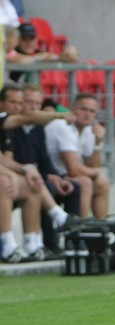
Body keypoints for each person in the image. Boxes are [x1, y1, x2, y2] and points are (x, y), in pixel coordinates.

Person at [10, 83, 84, 255]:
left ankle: (74, 241)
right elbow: (15, 160)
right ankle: (50, 243)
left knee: (73, 187)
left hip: (34, 175)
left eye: (37, 103)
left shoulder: (37, 129)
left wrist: (56, 176)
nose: (33, 107)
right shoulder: (10, 124)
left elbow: (43, 159)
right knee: (44, 186)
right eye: (28, 102)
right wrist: (47, 177)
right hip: (20, 176)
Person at [44, 93, 111, 219]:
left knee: (103, 182)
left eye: (92, 111)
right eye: (83, 109)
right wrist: (94, 171)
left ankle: (103, 228)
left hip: (64, 176)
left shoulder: (88, 130)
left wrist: (98, 143)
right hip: (49, 176)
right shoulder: (63, 125)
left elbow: (92, 165)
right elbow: (74, 170)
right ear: (73, 109)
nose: (88, 114)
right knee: (84, 182)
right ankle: (81, 230)